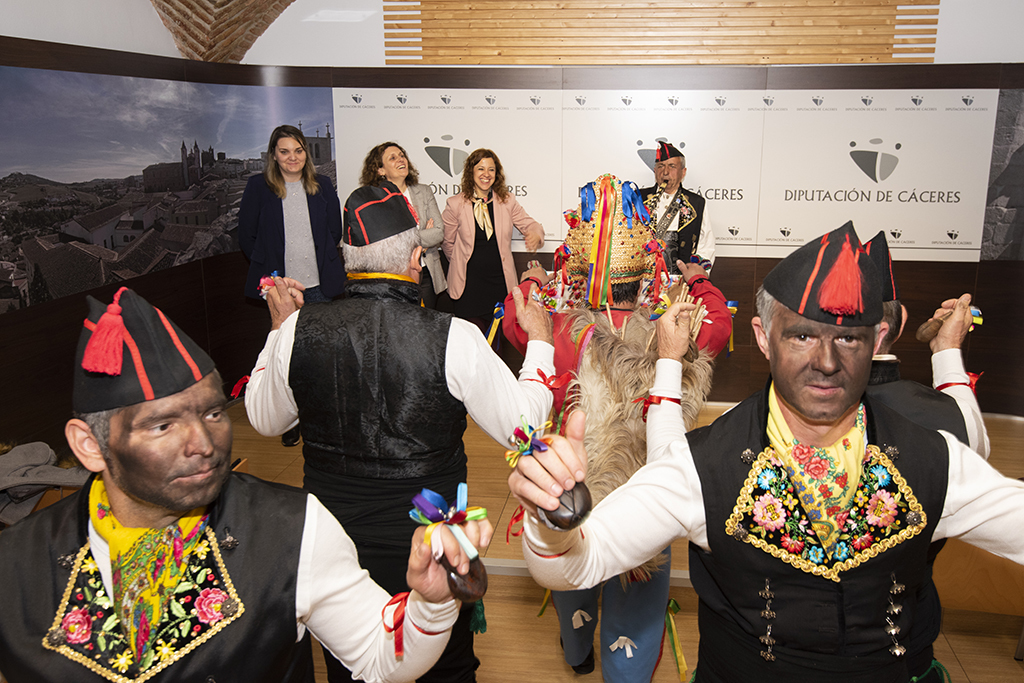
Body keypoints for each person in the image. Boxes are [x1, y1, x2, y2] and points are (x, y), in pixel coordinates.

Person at [509, 221, 1024, 682]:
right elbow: (572, 567)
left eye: (848, 339)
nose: (826, 361)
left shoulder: (935, 461)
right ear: (762, 337)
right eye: (802, 335)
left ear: (879, 338)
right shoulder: (702, 464)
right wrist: (550, 517)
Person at [0, 287, 489, 683]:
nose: (203, 442)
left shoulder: (293, 529)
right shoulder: (15, 565)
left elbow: (382, 657)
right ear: (89, 445)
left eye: (213, 412)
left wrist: (430, 605)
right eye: (162, 425)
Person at [245, 182, 556, 683]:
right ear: (416, 258)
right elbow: (525, 428)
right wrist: (540, 342)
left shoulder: (297, 332)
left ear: (348, 261)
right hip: (432, 549)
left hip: (334, 551)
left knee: (353, 668)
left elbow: (264, 419)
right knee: (446, 666)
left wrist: (279, 330)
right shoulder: (454, 336)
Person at [501, 173, 731, 679]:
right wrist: (695, 280)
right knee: (639, 591)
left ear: (581, 272)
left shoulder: (562, 330)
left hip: (574, 483)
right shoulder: (671, 332)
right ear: (647, 269)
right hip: (648, 492)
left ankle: (578, 653)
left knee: (572, 564)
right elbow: (721, 323)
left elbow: (518, 320)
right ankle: (624, 670)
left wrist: (536, 281)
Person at [863, 230, 991, 682]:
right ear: (897, 326)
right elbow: (975, 454)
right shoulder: (944, 421)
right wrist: (947, 352)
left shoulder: (763, 410)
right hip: (901, 643)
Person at [239, 124, 345, 448]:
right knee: (286, 357)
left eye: (298, 150)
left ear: (306, 153)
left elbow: (335, 231)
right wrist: (272, 280)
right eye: (284, 151)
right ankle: (291, 417)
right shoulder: (259, 187)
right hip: (283, 291)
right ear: (274, 155)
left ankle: (323, 417)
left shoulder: (322, 185)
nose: (292, 157)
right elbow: (247, 237)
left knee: (323, 355)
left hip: (320, 286)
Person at [864, 230, 989, 457]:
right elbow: (977, 448)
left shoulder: (785, 404)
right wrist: (947, 348)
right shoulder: (943, 415)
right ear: (898, 324)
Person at [442, 148, 544, 342]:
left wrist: (535, 234)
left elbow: (531, 224)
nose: (486, 174)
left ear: (496, 174)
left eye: (491, 169)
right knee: (470, 343)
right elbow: (448, 243)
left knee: (496, 342)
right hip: (468, 288)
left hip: (499, 285)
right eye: (481, 169)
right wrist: (459, 262)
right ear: (471, 172)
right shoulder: (455, 203)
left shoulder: (507, 201)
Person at [360, 141, 447, 308]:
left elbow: (438, 233)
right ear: (380, 170)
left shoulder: (424, 191)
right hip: (393, 276)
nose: (401, 160)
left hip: (426, 273)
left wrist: (402, 239)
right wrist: (421, 244)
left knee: (426, 326)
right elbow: (382, 242)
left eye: (402, 156)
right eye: (393, 158)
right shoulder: (374, 199)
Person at [640, 141, 716, 274]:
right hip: (644, 280)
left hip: (681, 281)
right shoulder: (639, 198)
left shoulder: (696, 203)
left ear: (683, 172)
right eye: (661, 166)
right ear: (655, 170)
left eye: (672, 166)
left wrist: (694, 277)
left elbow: (706, 245)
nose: (665, 172)